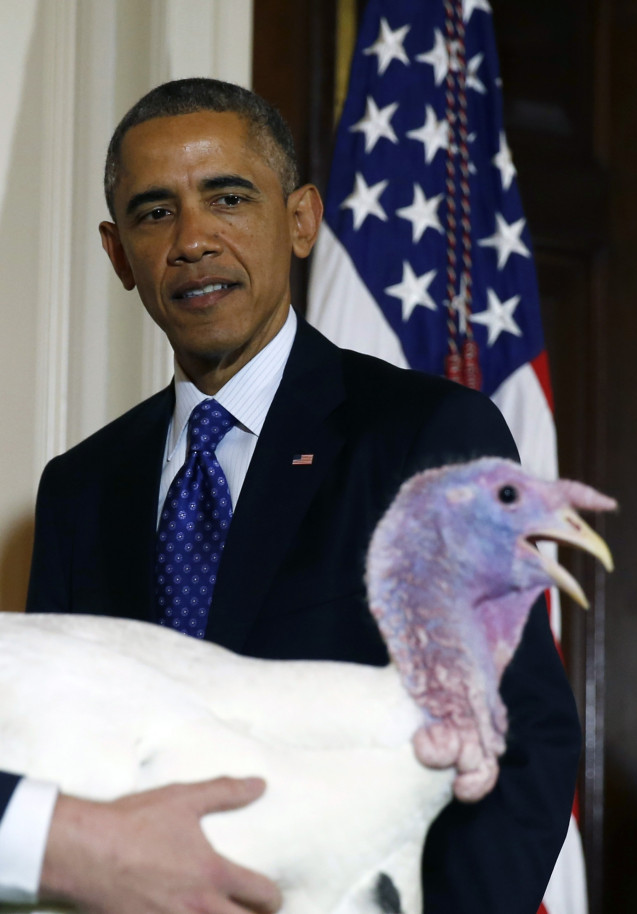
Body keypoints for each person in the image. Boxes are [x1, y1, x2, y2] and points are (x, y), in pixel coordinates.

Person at [0, 78, 581, 914]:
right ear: (118, 253)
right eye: (155, 212)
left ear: (302, 219)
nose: (193, 240)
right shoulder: (80, 489)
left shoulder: (424, 436)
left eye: (227, 198)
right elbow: (45, 749)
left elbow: (520, 735)